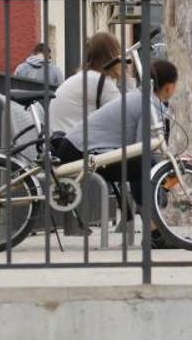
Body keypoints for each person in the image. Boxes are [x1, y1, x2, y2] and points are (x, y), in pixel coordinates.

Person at [49, 59, 178, 247]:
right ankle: (154, 232)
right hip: (80, 151)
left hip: (75, 147)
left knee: (144, 163)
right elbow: (142, 145)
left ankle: (154, 230)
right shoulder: (148, 104)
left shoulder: (141, 97)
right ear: (169, 87)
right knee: (143, 165)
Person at [49, 32, 125, 134]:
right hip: (77, 144)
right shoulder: (101, 82)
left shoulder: (81, 77)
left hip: (59, 141)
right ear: (114, 55)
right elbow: (124, 117)